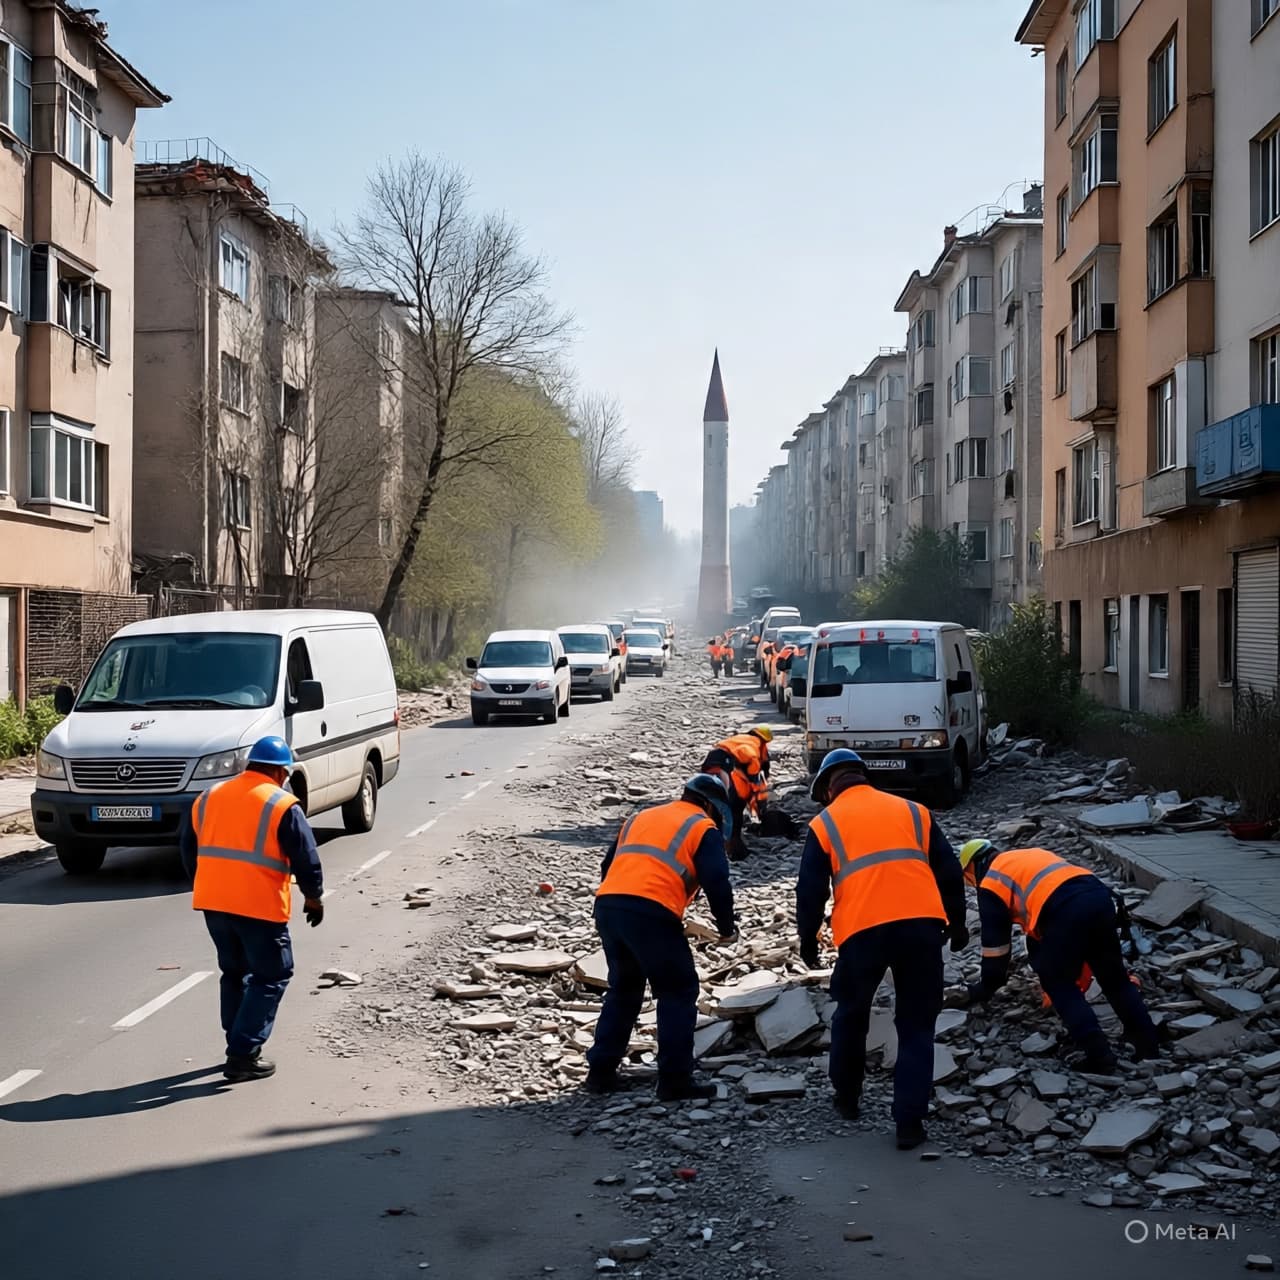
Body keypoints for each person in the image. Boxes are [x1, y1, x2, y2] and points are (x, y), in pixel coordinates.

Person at [796, 749, 967, 1149]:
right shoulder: (913, 811)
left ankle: (847, 1099)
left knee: (852, 1014)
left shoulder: (825, 824)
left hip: (862, 931)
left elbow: (810, 890)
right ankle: (909, 1123)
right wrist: (957, 924)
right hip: (921, 926)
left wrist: (808, 939)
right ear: (863, 776)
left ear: (828, 789)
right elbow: (948, 870)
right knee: (917, 1025)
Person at [180, 736, 324, 1082]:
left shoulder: (209, 797)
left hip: (213, 903)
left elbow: (187, 847)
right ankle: (243, 1054)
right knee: (273, 974)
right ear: (279, 771)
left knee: (234, 972)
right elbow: (306, 856)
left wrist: (205, 883)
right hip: (258, 905)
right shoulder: (281, 803)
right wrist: (313, 896)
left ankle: (237, 1038)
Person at [585, 774, 737, 1102]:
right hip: (651, 910)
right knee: (678, 989)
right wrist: (726, 927)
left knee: (624, 989)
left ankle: (600, 1073)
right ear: (711, 805)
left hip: (609, 904)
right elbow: (717, 881)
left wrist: (621, 903)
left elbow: (608, 864)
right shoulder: (701, 827)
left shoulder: (641, 817)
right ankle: (674, 1080)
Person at [957, 839, 1160, 1074]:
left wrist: (986, 987)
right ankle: (1148, 1046)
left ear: (971, 867)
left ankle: (1099, 1057)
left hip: (1065, 909)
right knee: (1114, 978)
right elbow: (1041, 914)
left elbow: (996, 947)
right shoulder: (1025, 856)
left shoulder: (991, 883)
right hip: (1097, 896)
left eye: (966, 878)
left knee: (1059, 984)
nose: (970, 884)